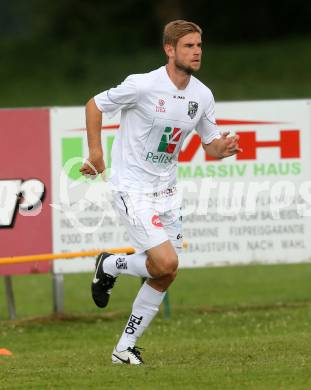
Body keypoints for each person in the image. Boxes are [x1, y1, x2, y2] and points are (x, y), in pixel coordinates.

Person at [80, 20, 241, 365]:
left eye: (199, 45)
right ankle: (111, 266)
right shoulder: (142, 85)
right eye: (188, 46)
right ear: (169, 50)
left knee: (165, 271)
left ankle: (123, 346)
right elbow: (94, 105)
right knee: (167, 261)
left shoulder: (202, 95)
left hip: (167, 192)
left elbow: (209, 146)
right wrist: (96, 152)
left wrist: (222, 148)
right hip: (132, 188)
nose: (196, 51)